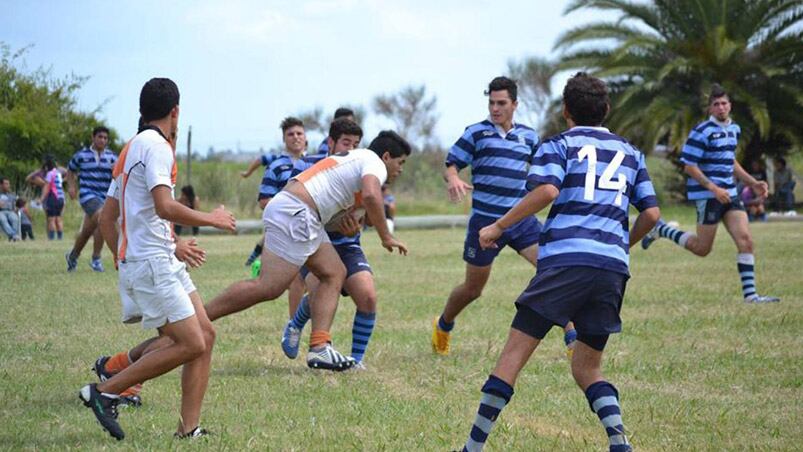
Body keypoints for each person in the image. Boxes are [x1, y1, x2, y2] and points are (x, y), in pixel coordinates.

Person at [458, 73, 660, 452]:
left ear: (566, 110)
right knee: (587, 368)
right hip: (611, 270)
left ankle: (471, 448)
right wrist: (622, 244)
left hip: (565, 264)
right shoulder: (632, 153)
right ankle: (620, 443)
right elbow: (651, 214)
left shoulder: (558, 145)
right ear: (607, 110)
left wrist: (498, 226)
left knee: (510, 360)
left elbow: (548, 189)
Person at [77, 77, 236, 441]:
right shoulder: (158, 148)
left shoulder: (132, 147)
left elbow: (107, 215)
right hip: (152, 262)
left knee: (205, 334)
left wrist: (126, 259)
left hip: (156, 259)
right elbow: (164, 206)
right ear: (175, 111)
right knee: (190, 342)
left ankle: (188, 429)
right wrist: (210, 218)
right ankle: (105, 391)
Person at [204, 131, 410, 372]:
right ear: (386, 156)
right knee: (268, 287)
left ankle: (320, 346)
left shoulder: (356, 157)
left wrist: (347, 226)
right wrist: (387, 236)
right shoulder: (374, 162)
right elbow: (372, 196)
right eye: (400, 162)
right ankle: (198, 318)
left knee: (333, 272)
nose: (401, 169)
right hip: (298, 213)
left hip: (298, 211)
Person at [432, 76, 575, 357]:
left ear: (515, 104)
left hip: (521, 221)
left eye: (501, 103)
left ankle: (572, 335)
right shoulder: (476, 133)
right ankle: (444, 324)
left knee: (553, 270)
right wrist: (453, 179)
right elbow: (452, 165)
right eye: (491, 103)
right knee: (473, 290)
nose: (495, 108)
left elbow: (543, 173)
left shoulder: (529, 136)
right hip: (484, 223)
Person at [641, 84, 780, 303]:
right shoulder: (702, 131)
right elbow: (689, 166)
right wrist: (713, 189)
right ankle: (662, 230)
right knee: (702, 248)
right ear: (710, 109)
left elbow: (730, 160)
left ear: (730, 106)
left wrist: (752, 182)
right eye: (716, 104)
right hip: (708, 196)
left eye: (724, 103)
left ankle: (751, 296)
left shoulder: (734, 129)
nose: (721, 107)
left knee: (746, 241)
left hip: (730, 193)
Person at [281, 118, 383, 368]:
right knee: (320, 289)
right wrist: (334, 225)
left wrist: (358, 226)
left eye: (356, 144)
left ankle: (356, 362)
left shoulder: (362, 170)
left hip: (347, 244)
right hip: (314, 241)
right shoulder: (308, 165)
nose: (351, 148)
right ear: (330, 142)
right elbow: (299, 210)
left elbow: (369, 212)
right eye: (346, 142)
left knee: (368, 296)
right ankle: (299, 329)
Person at [65, 126, 117, 272]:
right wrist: (71, 186)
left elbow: (119, 174)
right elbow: (70, 170)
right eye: (100, 137)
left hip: (105, 196)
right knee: (103, 219)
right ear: (93, 138)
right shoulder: (81, 155)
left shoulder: (113, 157)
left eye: (105, 138)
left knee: (88, 230)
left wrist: (116, 170)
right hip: (88, 195)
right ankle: (96, 259)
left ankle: (73, 256)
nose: (102, 140)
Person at [40, 155, 66, 240]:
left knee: (51, 219)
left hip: (53, 197)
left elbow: (47, 187)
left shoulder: (50, 174)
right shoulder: (58, 173)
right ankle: (60, 238)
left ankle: (51, 238)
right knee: (59, 218)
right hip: (61, 197)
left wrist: (41, 199)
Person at [0, 177, 20, 241]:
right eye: (6, 184)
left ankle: (12, 237)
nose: (8, 185)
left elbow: (17, 205)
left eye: (9, 184)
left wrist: (17, 208)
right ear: (1, 185)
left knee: (15, 219)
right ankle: (14, 235)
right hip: (1, 211)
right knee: (3, 219)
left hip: (10, 211)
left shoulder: (11, 195)